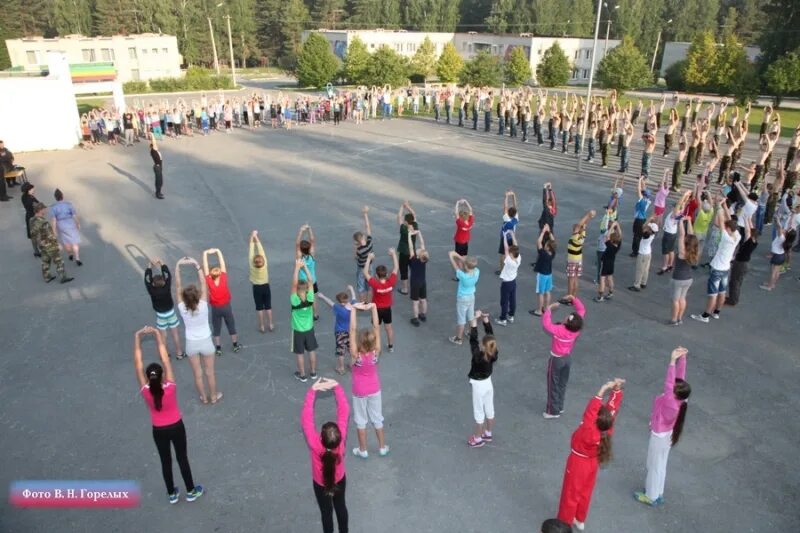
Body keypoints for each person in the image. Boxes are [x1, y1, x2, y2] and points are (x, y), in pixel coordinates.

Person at [133, 326, 204, 504]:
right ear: (163, 374)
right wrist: (158, 335)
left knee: (166, 461)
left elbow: (138, 363)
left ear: (147, 378)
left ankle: (171, 493)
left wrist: (137, 338)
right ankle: (190, 491)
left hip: (158, 430)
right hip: (176, 426)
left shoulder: (145, 391)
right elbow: (165, 358)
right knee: (182, 458)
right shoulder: (170, 387)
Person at [556, 379, 625, 531]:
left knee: (570, 494)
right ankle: (580, 518)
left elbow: (590, 412)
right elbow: (612, 409)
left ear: (594, 420)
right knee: (585, 492)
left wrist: (601, 391)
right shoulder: (606, 428)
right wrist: (616, 391)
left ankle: (564, 523)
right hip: (592, 463)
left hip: (578, 463)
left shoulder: (589, 431)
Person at [633, 347, 691, 507]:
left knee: (653, 465)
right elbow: (680, 379)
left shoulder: (670, 401)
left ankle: (650, 496)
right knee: (661, 465)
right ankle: (657, 493)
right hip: (667, 435)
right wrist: (683, 359)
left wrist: (672, 361)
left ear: (673, 393)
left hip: (659, 436)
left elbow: (670, 382)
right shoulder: (681, 400)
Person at [301, 377, 350, 533]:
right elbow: (344, 411)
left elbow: (306, 419)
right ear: (340, 437)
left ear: (321, 436)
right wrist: (337, 387)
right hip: (339, 480)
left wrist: (312, 392)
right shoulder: (340, 443)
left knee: (326, 513)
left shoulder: (315, 443)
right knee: (340, 507)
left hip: (320, 484)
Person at [174, 257, 222, 403]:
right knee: (210, 373)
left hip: (191, 344)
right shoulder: (203, 304)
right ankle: (213, 396)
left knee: (197, 374)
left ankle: (203, 397)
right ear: (198, 295)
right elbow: (203, 284)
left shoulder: (182, 307)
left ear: (184, 298)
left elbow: (177, 286)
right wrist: (197, 266)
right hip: (206, 342)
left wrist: (177, 266)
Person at [348, 304, 390, 460]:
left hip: (359, 391)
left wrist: (353, 309)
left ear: (359, 341)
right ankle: (382, 447)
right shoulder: (375, 352)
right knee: (377, 418)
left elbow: (352, 330)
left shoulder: (356, 355)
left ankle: (363, 449)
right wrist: (373, 308)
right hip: (374, 389)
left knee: (361, 420)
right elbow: (377, 328)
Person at [691, 197, 740, 323]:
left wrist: (719, 206)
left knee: (712, 294)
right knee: (722, 291)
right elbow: (729, 221)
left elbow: (723, 222)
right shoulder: (737, 236)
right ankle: (717, 312)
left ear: (729, 229)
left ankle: (705, 316)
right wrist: (724, 206)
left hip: (717, 268)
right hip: (725, 268)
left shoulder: (725, 237)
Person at [542, 296, 586, 419]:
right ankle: (560, 406)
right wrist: (574, 299)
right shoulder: (576, 329)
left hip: (556, 360)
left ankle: (552, 411)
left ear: (567, 322)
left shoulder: (559, 330)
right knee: (562, 383)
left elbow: (546, 324)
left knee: (553, 384)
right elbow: (581, 310)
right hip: (567, 359)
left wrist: (549, 309)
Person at [466, 310, 498, 448]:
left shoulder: (478, 356)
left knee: (479, 413)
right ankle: (488, 433)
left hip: (478, 386)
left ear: (483, 346)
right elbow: (491, 337)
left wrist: (474, 321)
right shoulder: (494, 352)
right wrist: (485, 320)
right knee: (489, 410)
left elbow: (473, 340)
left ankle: (477, 438)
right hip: (488, 384)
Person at [202, 249, 240, 355]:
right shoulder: (223, 278)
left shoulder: (209, 280)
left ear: (211, 275)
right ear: (219, 274)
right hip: (226, 307)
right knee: (231, 324)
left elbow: (205, 267)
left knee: (216, 327)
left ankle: (218, 348)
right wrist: (218, 251)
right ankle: (235, 345)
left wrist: (205, 254)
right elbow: (222, 264)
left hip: (215, 308)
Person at [145, 258, 185, 358]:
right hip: (170, 312)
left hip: (160, 315)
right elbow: (168, 275)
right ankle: (179, 353)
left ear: (153, 284)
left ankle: (165, 354)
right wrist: (162, 263)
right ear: (163, 282)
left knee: (163, 335)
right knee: (175, 333)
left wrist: (149, 266)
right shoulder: (166, 287)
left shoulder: (151, 290)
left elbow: (147, 280)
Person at [318, 286, 360, 375]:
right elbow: (354, 297)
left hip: (340, 332)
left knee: (341, 351)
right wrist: (351, 289)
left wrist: (322, 296)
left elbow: (330, 303)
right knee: (351, 348)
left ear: (340, 303)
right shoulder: (352, 306)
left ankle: (341, 368)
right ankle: (352, 365)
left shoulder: (339, 308)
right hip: (350, 332)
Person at [363, 248, 399, 352]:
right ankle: (391, 346)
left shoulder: (375, 284)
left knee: (376, 329)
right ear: (386, 274)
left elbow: (365, 272)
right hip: (387, 309)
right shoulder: (390, 282)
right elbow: (396, 268)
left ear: (377, 276)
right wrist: (393, 254)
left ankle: (375, 347)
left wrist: (369, 258)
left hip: (376, 309)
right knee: (389, 328)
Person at [29, 202, 73, 284]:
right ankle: (63, 277)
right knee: (58, 261)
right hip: (49, 244)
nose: (45, 210)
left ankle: (47, 277)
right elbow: (50, 235)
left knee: (45, 261)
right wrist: (57, 244)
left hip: (41, 244)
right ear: (40, 210)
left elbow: (33, 234)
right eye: (44, 209)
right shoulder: (43, 222)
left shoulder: (31, 220)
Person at [291, 258, 319, 382]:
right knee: (311, 351)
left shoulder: (295, 300)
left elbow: (294, 284)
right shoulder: (310, 298)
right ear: (307, 289)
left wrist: (297, 268)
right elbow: (311, 280)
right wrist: (305, 267)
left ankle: (302, 374)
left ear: (297, 291)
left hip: (298, 331)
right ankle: (313, 372)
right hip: (309, 329)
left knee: (300, 353)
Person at [561, 210, 596, 304]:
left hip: (572, 260)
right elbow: (583, 225)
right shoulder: (582, 236)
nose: (574, 227)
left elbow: (580, 225)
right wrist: (589, 218)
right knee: (576, 279)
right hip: (578, 260)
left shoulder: (574, 237)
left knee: (570, 280)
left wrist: (588, 214)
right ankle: (574, 298)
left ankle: (569, 298)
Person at [247, 231, 274, 333]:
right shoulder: (264, 265)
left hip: (256, 287)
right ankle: (271, 324)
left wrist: (251, 237)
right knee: (268, 306)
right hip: (265, 286)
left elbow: (251, 251)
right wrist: (256, 237)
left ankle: (262, 326)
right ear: (263, 261)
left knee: (259, 307)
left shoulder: (252, 264)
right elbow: (261, 250)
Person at [726, 217, 756, 305]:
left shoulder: (749, 242)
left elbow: (747, 231)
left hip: (740, 264)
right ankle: (733, 298)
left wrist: (746, 219)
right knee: (737, 282)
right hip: (743, 264)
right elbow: (750, 230)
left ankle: (733, 300)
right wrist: (749, 218)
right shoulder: (754, 242)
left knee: (734, 282)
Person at [50, 189, 82, 266]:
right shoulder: (68, 205)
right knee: (74, 242)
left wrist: (54, 230)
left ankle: (70, 254)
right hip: (70, 223)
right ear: (62, 196)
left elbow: (53, 220)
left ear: (55, 197)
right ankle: (77, 258)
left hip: (61, 225)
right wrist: (78, 223)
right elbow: (74, 215)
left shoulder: (53, 207)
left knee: (66, 241)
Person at [760, 221, 796, 291]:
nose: (785, 229)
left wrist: (778, 219)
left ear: (787, 233)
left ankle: (769, 286)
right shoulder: (788, 241)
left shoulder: (781, 237)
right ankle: (772, 284)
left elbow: (779, 227)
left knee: (773, 272)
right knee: (777, 271)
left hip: (776, 256)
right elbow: (786, 227)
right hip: (781, 256)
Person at [496, 230, 520, 326]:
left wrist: (505, 236)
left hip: (506, 283)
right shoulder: (518, 258)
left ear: (511, 254)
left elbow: (506, 248)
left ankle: (503, 318)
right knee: (512, 299)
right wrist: (512, 234)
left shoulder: (509, 261)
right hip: (513, 282)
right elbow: (516, 246)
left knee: (504, 301)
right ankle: (511, 315)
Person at [296, 224, 321, 319]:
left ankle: (305, 313)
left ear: (301, 250)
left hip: (303, 281)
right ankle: (315, 314)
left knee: (303, 297)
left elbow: (297, 244)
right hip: (312, 280)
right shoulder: (311, 256)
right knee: (313, 297)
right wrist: (309, 229)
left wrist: (301, 231)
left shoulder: (299, 257)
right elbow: (312, 240)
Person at [531, 224, 556, 316]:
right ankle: (546, 308)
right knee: (547, 291)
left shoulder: (543, 253)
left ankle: (539, 311)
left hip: (542, 275)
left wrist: (543, 232)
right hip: (549, 274)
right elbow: (553, 241)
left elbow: (538, 242)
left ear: (548, 247)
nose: (544, 244)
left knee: (540, 293)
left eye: (546, 244)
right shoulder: (552, 253)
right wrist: (549, 231)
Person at [594, 221, 621, 302]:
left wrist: (612, 226)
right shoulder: (618, 245)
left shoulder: (609, 246)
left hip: (605, 263)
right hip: (611, 264)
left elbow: (606, 236)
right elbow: (619, 234)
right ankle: (610, 292)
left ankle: (600, 296)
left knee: (602, 279)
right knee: (610, 278)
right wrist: (617, 225)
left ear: (611, 240)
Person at [629, 219, 658, 292]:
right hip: (648, 253)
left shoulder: (646, 235)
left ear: (650, 230)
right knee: (645, 269)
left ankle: (636, 285)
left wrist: (649, 219)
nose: (648, 227)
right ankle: (643, 283)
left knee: (639, 270)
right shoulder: (653, 234)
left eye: (649, 228)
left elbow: (643, 226)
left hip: (643, 254)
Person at [407, 229, 429, 327]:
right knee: (423, 299)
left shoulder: (414, 259)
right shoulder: (424, 259)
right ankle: (423, 314)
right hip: (422, 282)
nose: (418, 249)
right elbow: (422, 244)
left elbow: (411, 246)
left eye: (418, 250)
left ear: (419, 255)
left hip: (415, 283)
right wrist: (419, 233)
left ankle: (415, 318)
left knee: (415, 302)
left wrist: (409, 235)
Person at [396, 201, 419, 295]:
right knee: (413, 269)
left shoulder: (403, 228)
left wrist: (402, 206)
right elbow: (414, 215)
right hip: (412, 252)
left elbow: (398, 217)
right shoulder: (415, 226)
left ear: (405, 221)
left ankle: (405, 289)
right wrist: (408, 207)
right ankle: (416, 287)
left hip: (403, 252)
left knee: (403, 269)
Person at [353, 207, 373, 302]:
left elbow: (355, 257)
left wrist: (355, 247)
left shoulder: (359, 250)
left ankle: (362, 303)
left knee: (361, 286)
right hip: (370, 266)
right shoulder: (370, 243)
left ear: (357, 241)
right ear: (363, 237)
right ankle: (369, 302)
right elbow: (368, 227)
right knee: (370, 285)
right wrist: (365, 214)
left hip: (361, 268)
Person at [497, 190, 519, 274]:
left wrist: (506, 196)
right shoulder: (515, 219)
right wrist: (513, 195)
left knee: (502, 253)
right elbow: (515, 206)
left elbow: (505, 207)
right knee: (511, 252)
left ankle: (502, 270)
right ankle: (510, 267)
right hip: (512, 238)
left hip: (505, 238)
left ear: (508, 213)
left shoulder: (506, 218)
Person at [631, 177, 651, 257]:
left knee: (636, 236)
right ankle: (638, 250)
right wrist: (643, 180)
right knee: (639, 235)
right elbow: (643, 189)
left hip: (639, 220)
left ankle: (635, 251)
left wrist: (639, 180)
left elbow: (639, 190)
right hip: (642, 219)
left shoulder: (642, 200)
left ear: (644, 195)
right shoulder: (647, 200)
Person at [20, 182, 40, 256]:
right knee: (37, 235)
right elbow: (37, 205)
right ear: (28, 190)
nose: (33, 189)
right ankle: (40, 250)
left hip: (29, 216)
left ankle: (36, 251)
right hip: (33, 218)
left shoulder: (24, 196)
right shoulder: (30, 199)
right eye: (32, 189)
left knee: (33, 236)